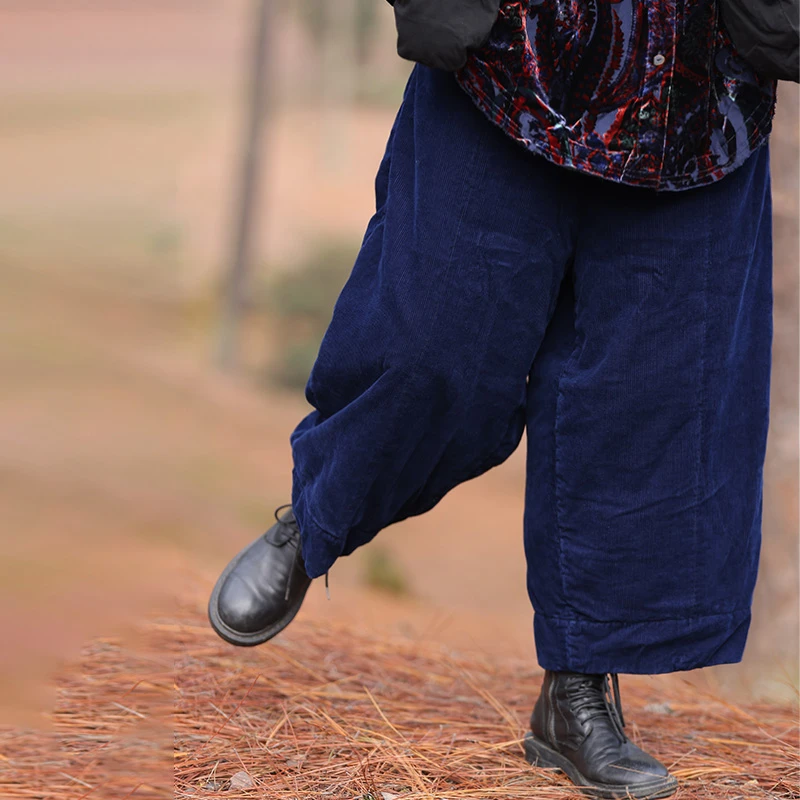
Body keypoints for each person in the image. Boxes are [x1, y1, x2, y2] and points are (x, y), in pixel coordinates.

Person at [208, 2, 779, 797]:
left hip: (689, 98)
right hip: (512, 66)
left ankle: (578, 694)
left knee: (647, 402)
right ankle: (317, 515)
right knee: (429, 345)